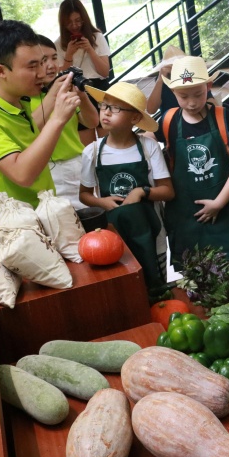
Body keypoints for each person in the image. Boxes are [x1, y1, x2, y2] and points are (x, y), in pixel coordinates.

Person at [0, 20, 80, 216]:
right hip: (18, 228)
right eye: (32, 66)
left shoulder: (17, 97)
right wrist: (58, 118)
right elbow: (22, 174)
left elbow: (30, 132)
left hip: (44, 211)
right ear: (1, 71)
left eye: (42, 62)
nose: (42, 72)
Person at [157, 56, 229, 266]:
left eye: (198, 94)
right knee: (197, 279)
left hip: (227, 211)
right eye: (183, 96)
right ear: (173, 91)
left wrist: (219, 203)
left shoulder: (224, 116)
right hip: (187, 216)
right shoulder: (168, 121)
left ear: (209, 86)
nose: (192, 102)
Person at [79, 82, 174, 299]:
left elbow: (168, 191)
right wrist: (102, 202)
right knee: (129, 288)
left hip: (151, 232)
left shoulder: (148, 148)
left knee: (157, 288)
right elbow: (84, 195)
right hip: (114, 236)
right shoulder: (92, 152)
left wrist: (142, 192)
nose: (107, 112)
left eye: (116, 108)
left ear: (135, 118)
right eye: (104, 106)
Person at [28, 35, 99, 209]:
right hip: (44, 169)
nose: (51, 65)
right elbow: (30, 129)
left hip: (76, 165)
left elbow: (92, 122)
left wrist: (81, 94)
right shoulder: (25, 97)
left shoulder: (64, 88)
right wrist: (53, 94)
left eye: (54, 57)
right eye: (43, 60)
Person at [55, 0, 111, 90]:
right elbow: (62, 78)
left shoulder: (97, 37)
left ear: (84, 19)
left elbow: (105, 72)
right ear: (63, 23)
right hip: (74, 89)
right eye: (69, 22)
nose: (74, 26)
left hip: (98, 86)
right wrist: (69, 55)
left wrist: (90, 49)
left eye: (78, 20)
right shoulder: (58, 44)